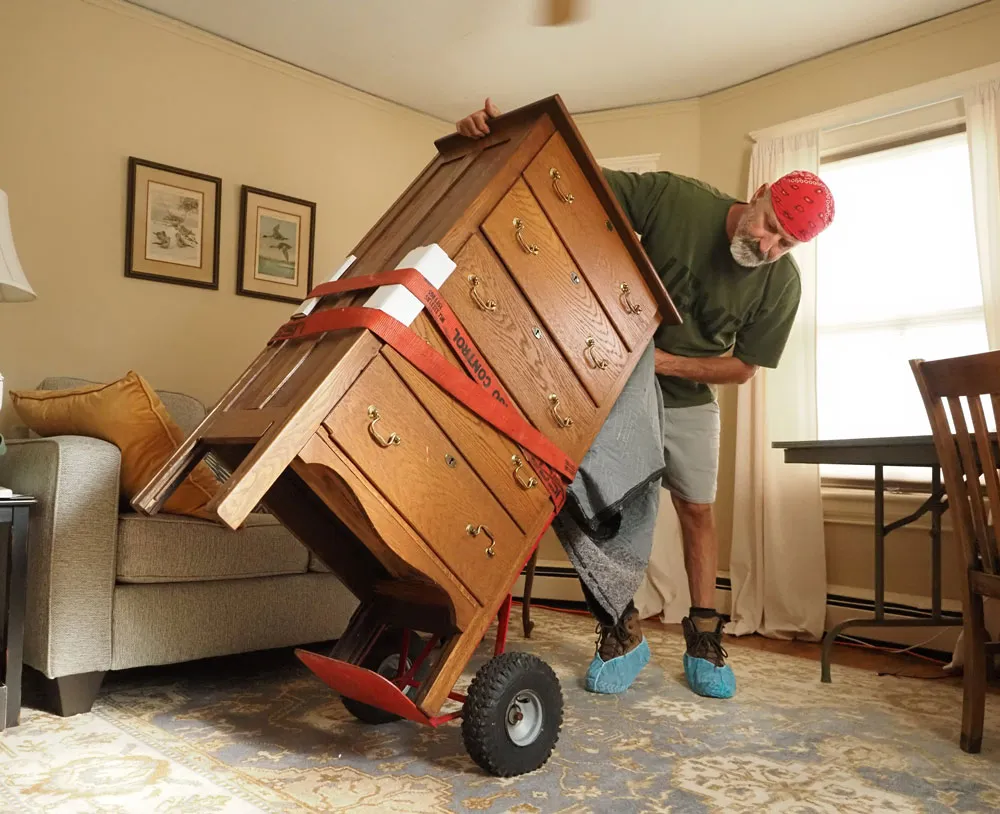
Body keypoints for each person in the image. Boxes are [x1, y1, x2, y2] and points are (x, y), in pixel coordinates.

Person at [455, 99, 835, 699]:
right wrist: (492, 137)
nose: (765, 247)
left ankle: (704, 637)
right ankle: (620, 627)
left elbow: (743, 367)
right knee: (592, 504)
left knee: (697, 509)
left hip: (686, 397)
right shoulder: (674, 199)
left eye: (783, 245)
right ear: (758, 192)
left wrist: (660, 363)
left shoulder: (781, 283)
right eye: (767, 227)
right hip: (607, 386)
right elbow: (571, 184)